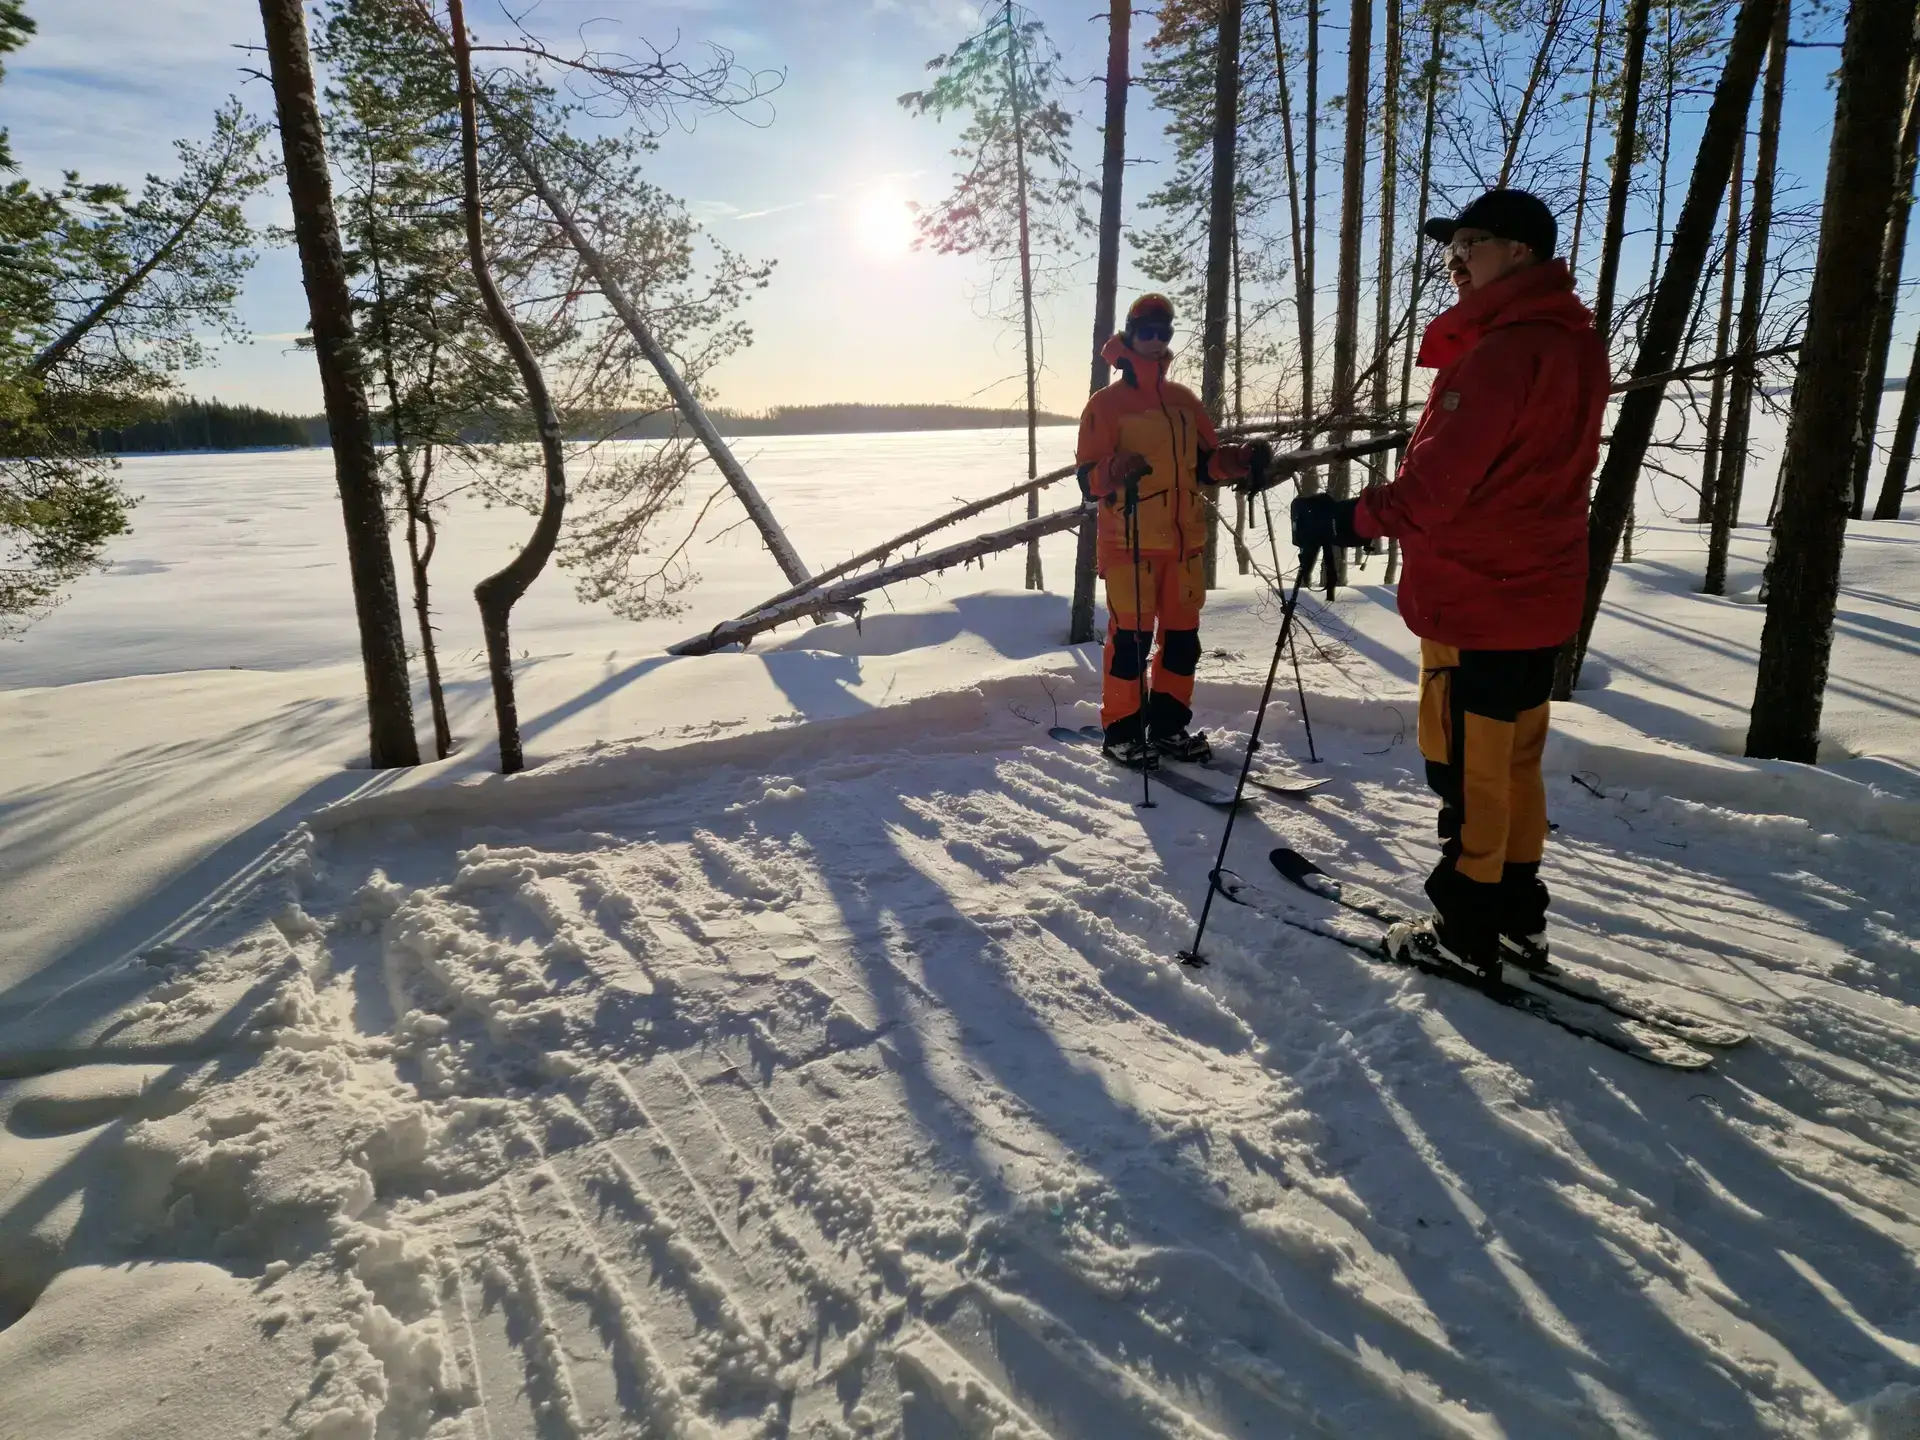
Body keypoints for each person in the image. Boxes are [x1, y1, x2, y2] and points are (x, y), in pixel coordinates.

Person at [1288, 189, 1610, 979]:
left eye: (1472, 243)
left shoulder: (1501, 353)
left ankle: (1468, 928)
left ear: (1522, 253)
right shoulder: (1571, 342)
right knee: (1512, 760)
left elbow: (1434, 491)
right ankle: (1513, 917)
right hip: (1535, 593)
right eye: (1452, 247)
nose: (1457, 259)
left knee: (1468, 767)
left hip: (1480, 595)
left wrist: (1344, 519)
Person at [1077, 294, 1254, 769]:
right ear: (1130, 334)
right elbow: (1088, 479)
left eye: (1164, 332)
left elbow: (1203, 466)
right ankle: (1122, 733)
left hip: (1184, 545)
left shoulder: (1183, 402)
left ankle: (1169, 729)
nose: (1155, 341)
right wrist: (1116, 467)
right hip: (1128, 543)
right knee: (1130, 645)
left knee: (1181, 642)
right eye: (1146, 331)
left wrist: (1235, 461)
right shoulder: (1107, 404)